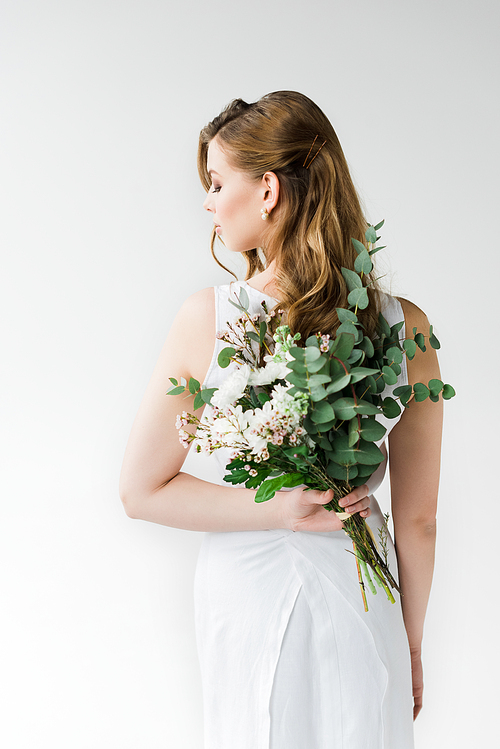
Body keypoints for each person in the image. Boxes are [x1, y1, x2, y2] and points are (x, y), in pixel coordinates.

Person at [119, 91, 442, 749]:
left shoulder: (208, 318)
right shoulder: (405, 326)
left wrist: (274, 509)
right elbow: (419, 518)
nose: (208, 203)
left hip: (248, 585)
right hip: (364, 583)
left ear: (266, 188)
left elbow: (140, 487)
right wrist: (409, 641)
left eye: (216, 182)